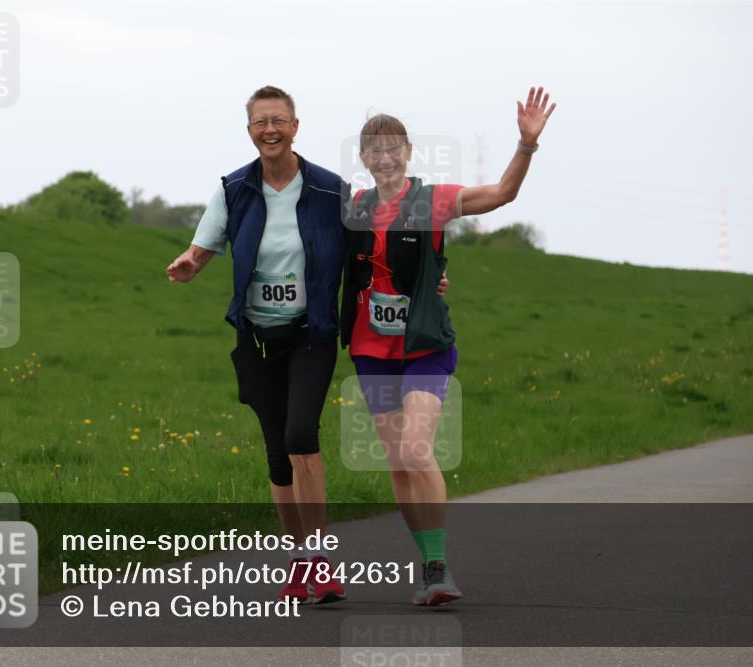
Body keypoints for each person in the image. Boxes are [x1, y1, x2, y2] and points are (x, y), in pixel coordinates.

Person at [340, 85, 557, 605]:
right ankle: (427, 562)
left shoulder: (432, 201)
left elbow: (502, 193)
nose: (385, 158)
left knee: (417, 450)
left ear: (409, 152)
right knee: (398, 463)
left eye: (394, 148)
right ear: (364, 159)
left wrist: (526, 144)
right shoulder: (353, 208)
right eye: (375, 150)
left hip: (425, 347)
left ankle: (438, 568)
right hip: (371, 351)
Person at [166, 85, 347, 605]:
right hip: (257, 339)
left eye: (279, 120)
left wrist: (426, 278)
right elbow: (203, 246)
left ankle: (320, 562)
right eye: (260, 122)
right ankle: (299, 561)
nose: (270, 130)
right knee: (277, 456)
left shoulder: (331, 190)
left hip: (311, 334)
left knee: (300, 436)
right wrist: (190, 263)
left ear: (295, 127)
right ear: (249, 130)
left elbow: (369, 249)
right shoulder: (234, 189)